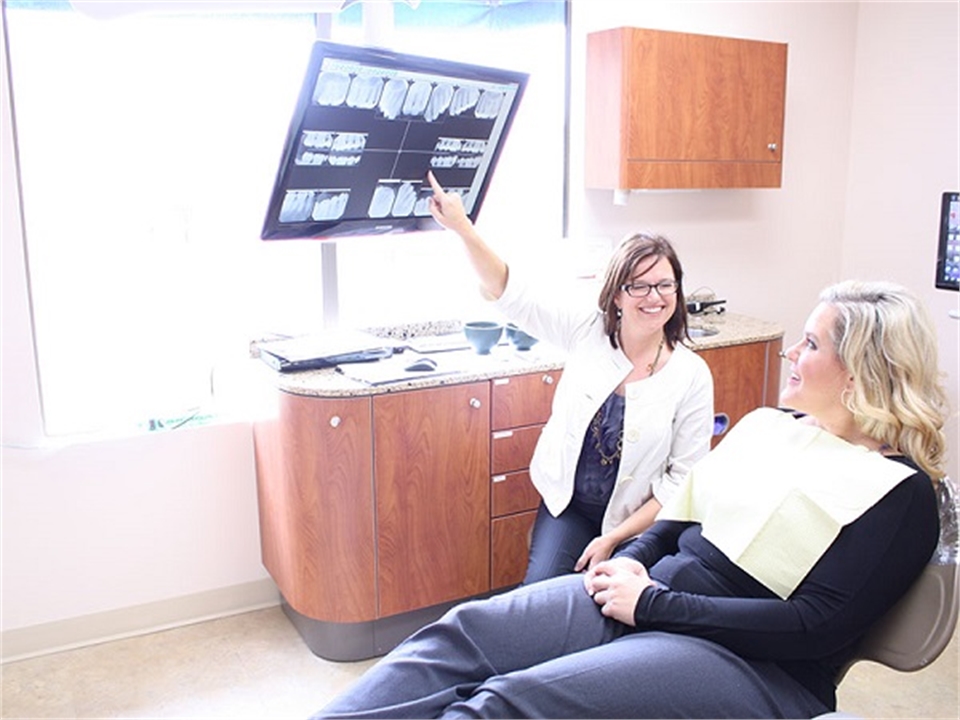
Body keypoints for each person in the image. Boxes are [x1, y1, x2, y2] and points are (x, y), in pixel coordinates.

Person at [313, 280, 949, 719]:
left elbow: (814, 628)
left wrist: (656, 605)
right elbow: (679, 515)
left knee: (506, 704)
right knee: (459, 637)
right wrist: (637, 557)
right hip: (648, 596)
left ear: (864, 369)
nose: (790, 351)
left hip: (754, 666)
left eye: (811, 345)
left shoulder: (901, 495)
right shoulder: (771, 427)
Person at [425, 171, 715, 584]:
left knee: (608, 610)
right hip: (570, 510)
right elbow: (511, 291)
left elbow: (681, 481)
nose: (655, 297)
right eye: (640, 286)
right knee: (538, 601)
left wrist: (614, 538)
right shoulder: (587, 330)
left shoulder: (691, 375)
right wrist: (461, 227)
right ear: (617, 294)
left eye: (665, 285)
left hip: (642, 526)